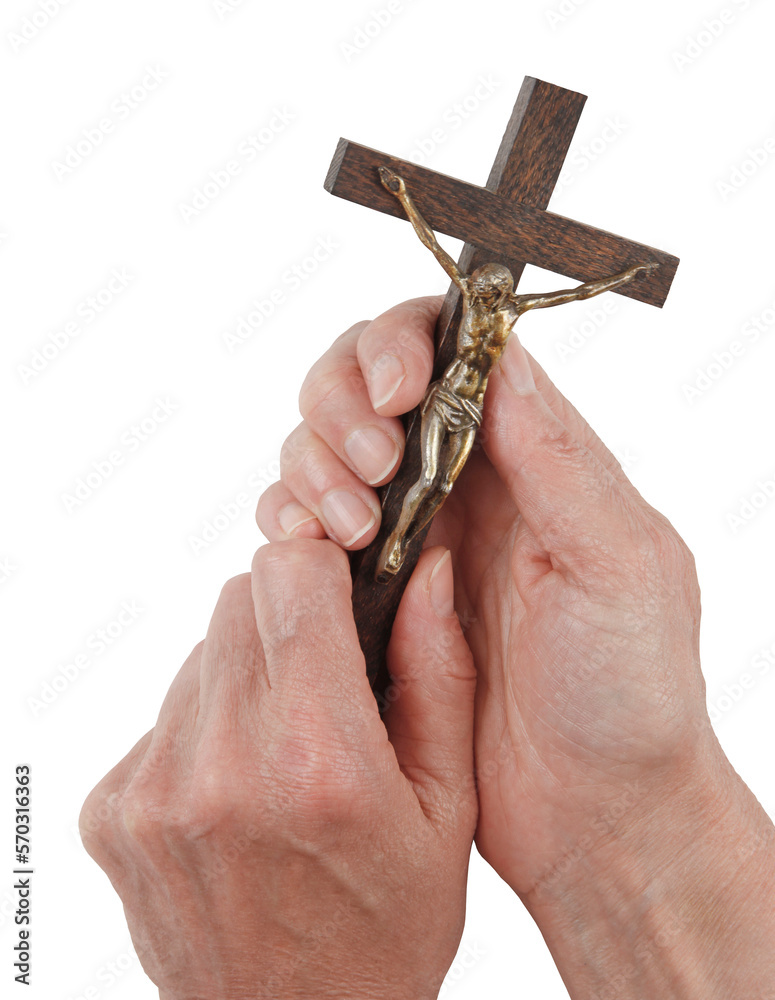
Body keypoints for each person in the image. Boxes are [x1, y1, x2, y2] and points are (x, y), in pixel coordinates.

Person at [80, 296, 775, 999]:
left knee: (427, 485)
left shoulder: (495, 326)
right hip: (445, 417)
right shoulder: (469, 303)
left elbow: (559, 292)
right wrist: (631, 820)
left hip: (462, 418)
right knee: (411, 499)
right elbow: (424, 224)